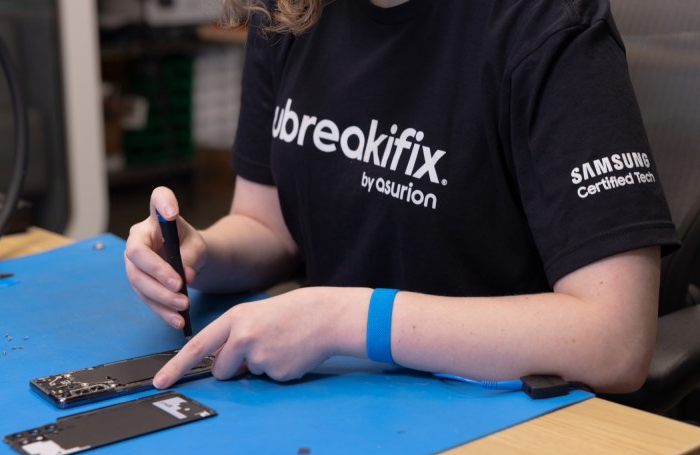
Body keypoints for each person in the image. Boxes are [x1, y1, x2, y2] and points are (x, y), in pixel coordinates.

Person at [125, 0, 680, 394]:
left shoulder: (547, 23)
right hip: (342, 394)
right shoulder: (291, 9)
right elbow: (267, 224)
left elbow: (615, 339)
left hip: (501, 410)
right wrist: (198, 254)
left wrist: (343, 319)